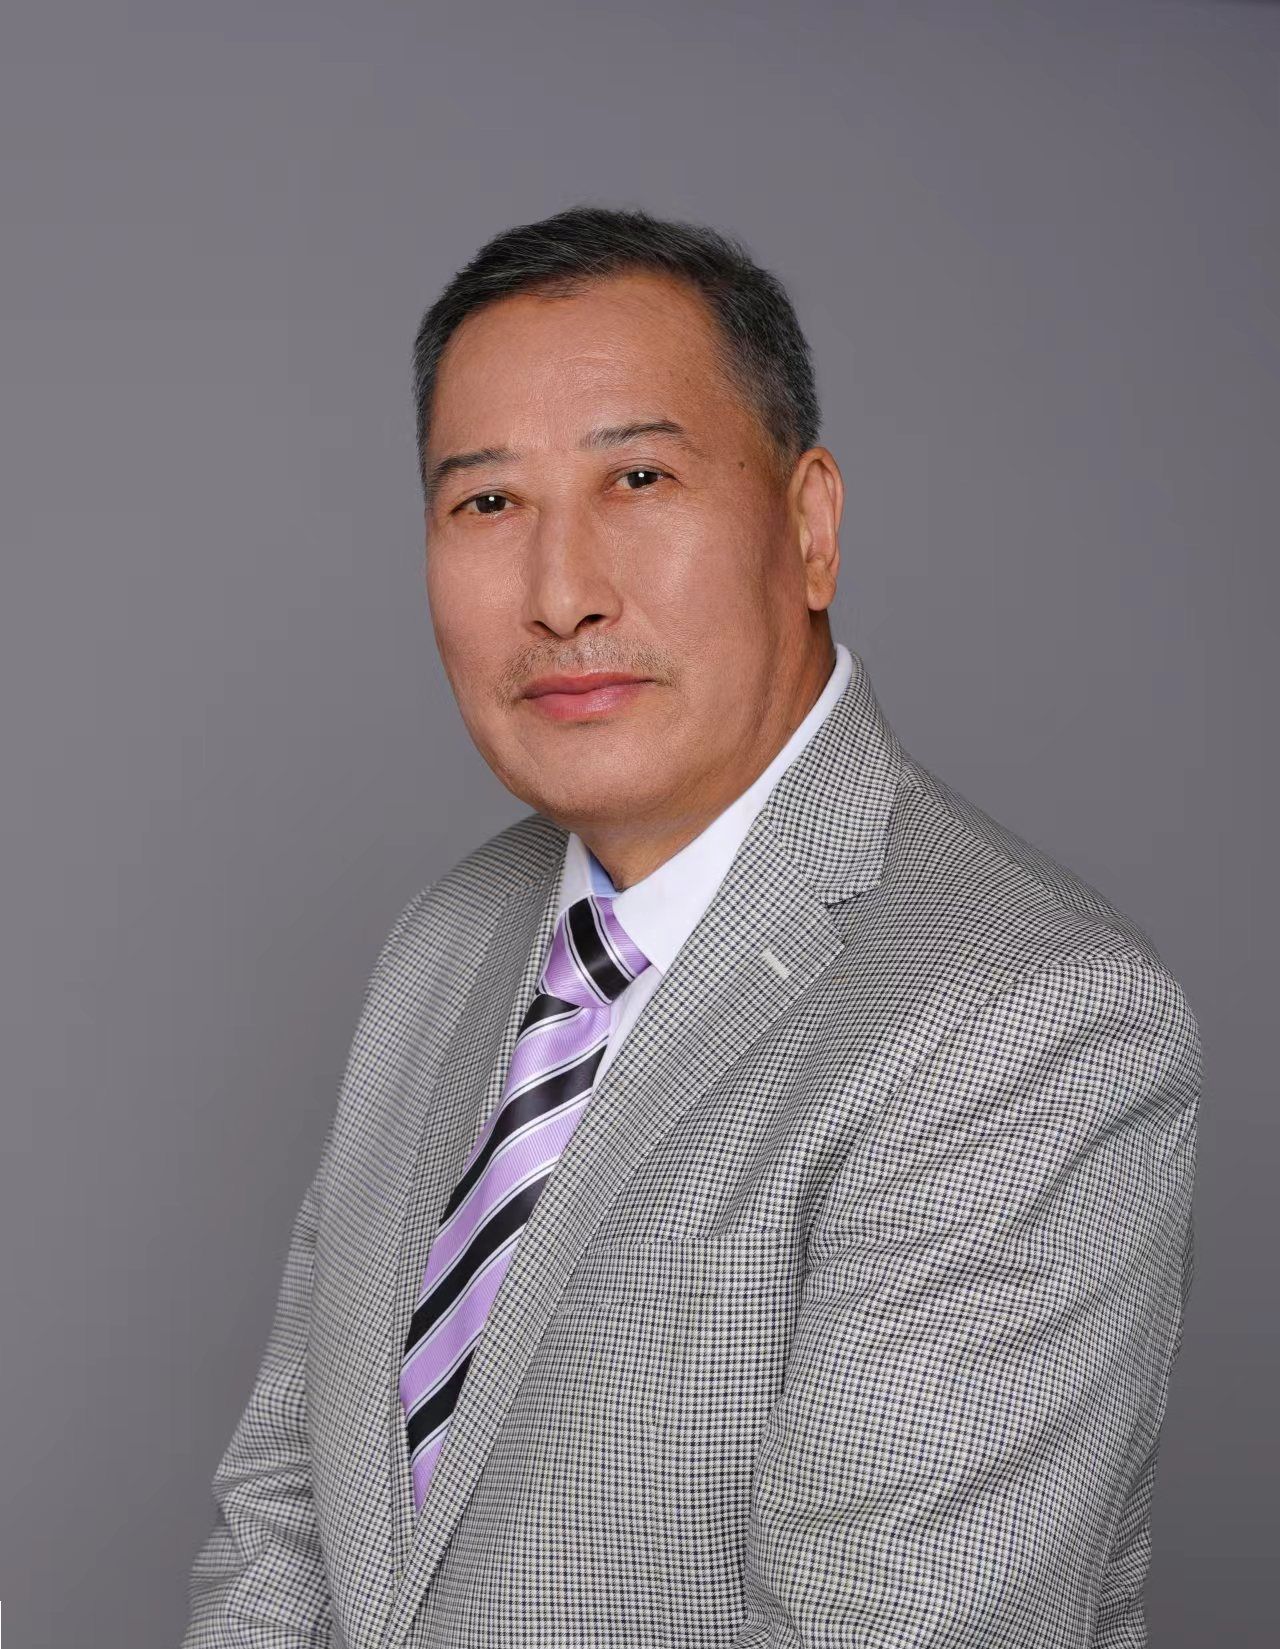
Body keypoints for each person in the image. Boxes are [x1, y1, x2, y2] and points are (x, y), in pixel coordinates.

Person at [181, 205, 1201, 1649]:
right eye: (488, 503)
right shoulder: (447, 940)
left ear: (809, 525)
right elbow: (288, 1518)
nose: (561, 595)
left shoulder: (1025, 1021)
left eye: (640, 477)